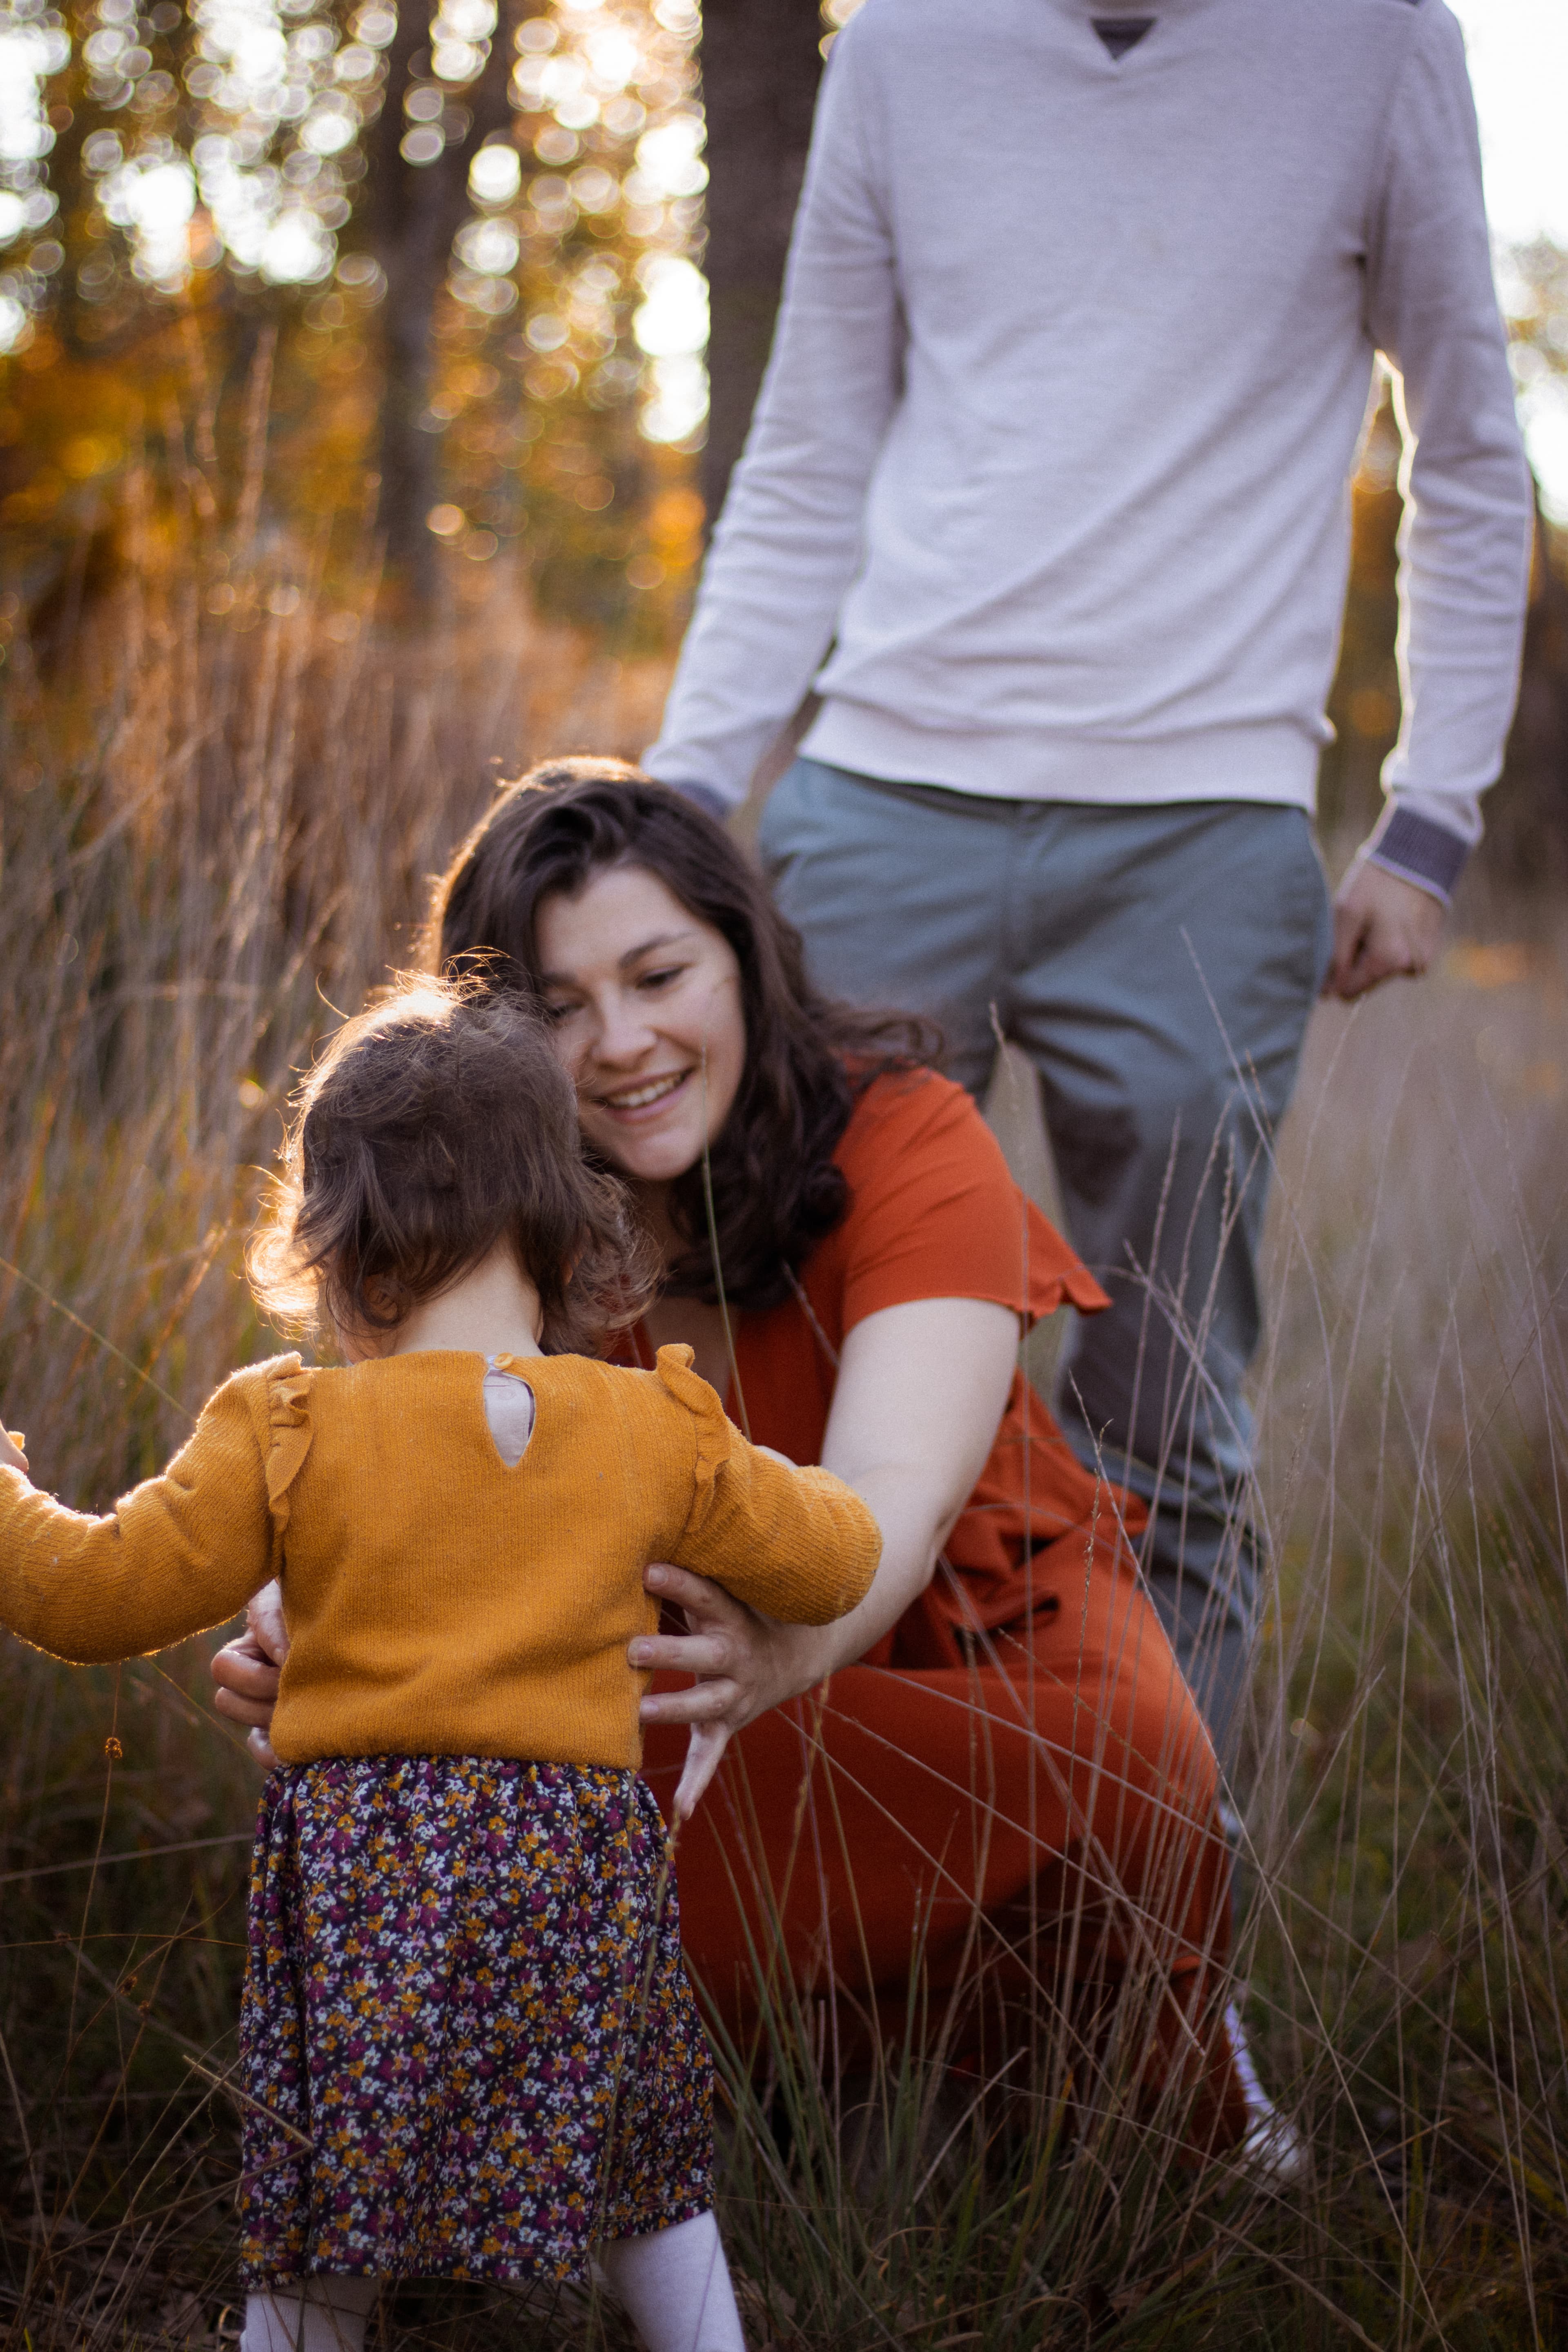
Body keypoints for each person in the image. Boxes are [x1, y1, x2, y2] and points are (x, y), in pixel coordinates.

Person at [640, 0, 1535, 1755]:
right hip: (882, 796)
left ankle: (1161, 1969)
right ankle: (805, 1912)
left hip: (1203, 834)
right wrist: (682, 794)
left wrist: (1431, 817)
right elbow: (812, 444)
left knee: (1170, 1425)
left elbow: (1474, 448)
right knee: (784, 1384)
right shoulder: (907, 42)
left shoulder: (1377, 44)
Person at [214, 764, 1254, 2154]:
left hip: (966, 1620)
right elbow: (402, 1481)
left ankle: (1093, 2087)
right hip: (685, 1659)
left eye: (658, 975)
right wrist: (315, 1621)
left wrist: (790, 1659)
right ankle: (647, 2116)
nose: (625, 1042)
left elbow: (899, 1490)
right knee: (487, 1763)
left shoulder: (909, 1133)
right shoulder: (481, 1211)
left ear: (745, 961)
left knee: (1135, 1757)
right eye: (560, 1009)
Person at [0, 977, 882, 2352]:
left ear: (344, 1244)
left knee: (330, 2208)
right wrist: (764, 1497)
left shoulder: (287, 1429)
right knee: (642, 2173)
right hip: (575, 1875)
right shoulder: (652, 1429)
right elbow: (834, 1561)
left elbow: (93, 1593)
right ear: (559, 1220)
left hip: (371, 1889)